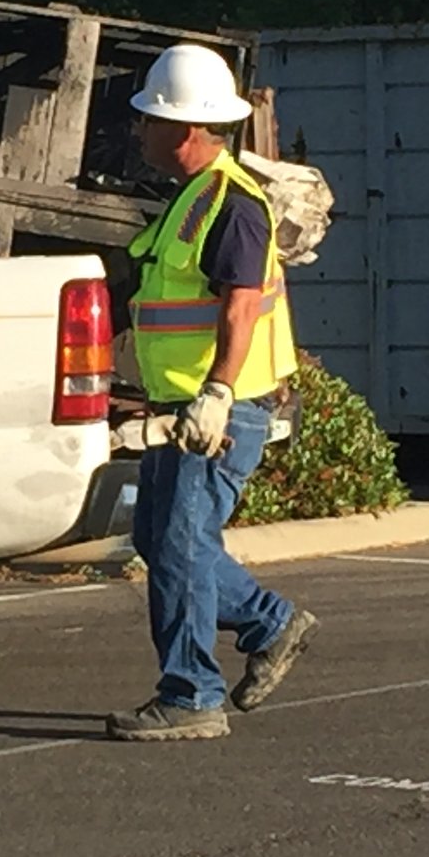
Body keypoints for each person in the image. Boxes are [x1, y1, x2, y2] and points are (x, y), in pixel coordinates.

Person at [106, 45, 318, 742]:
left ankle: (193, 692)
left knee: (179, 544)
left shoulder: (231, 204)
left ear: (186, 128)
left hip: (221, 412)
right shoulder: (193, 200)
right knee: (165, 540)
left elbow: (240, 305)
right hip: (186, 410)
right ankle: (271, 622)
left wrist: (219, 393)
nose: (140, 131)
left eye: (150, 119)